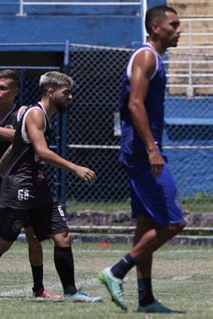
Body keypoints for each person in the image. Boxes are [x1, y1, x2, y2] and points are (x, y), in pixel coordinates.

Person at [0, 71, 102, 304]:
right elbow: (42, 151)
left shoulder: (46, 115)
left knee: (63, 236)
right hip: (20, 186)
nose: (70, 97)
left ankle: (71, 292)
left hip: (37, 186)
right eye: (66, 92)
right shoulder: (36, 114)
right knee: (2, 242)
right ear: (51, 92)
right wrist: (75, 167)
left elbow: (15, 146)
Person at [98, 6, 185, 313]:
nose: (179, 30)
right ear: (156, 27)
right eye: (173, 25)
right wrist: (152, 148)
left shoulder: (154, 59)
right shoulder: (147, 56)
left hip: (141, 151)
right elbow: (135, 104)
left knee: (146, 224)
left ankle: (145, 299)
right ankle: (116, 271)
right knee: (174, 221)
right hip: (142, 152)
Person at [0, 70, 60, 299]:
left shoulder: (22, 112)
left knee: (33, 236)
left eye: (2, 87)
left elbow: (20, 137)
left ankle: (38, 287)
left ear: (15, 91)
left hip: (18, 181)